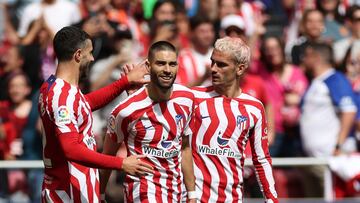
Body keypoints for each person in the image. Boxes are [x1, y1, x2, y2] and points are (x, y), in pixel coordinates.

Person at [38, 26, 153, 202]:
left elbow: (86, 103)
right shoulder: (61, 97)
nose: (92, 58)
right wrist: (121, 164)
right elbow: (71, 149)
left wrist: (125, 82)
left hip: (78, 189)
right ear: (78, 55)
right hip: (68, 193)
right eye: (89, 53)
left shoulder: (57, 88)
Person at [100, 41, 197, 202]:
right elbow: (108, 155)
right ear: (148, 66)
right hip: (142, 191)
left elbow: (185, 147)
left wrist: (192, 194)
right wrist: (101, 194)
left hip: (176, 192)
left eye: (172, 64)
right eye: (161, 63)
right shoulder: (126, 110)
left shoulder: (187, 98)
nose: (167, 70)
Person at [189, 37, 278, 202]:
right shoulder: (193, 97)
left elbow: (262, 159)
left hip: (232, 198)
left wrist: (272, 199)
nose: (214, 69)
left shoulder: (254, 108)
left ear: (240, 68)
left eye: (221, 65)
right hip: (195, 198)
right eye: (212, 62)